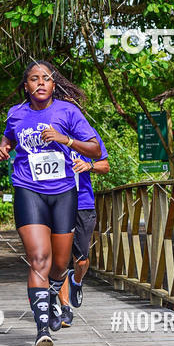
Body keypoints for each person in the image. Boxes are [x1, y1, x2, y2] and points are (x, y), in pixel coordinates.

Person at [0, 61, 101, 346]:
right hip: (29, 190)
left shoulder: (68, 111)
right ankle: (41, 331)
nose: (40, 83)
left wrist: (65, 139)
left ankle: (54, 294)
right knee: (39, 258)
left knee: (60, 264)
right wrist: (3, 148)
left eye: (46, 79)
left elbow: (95, 149)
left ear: (54, 85)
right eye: (33, 79)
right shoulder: (16, 114)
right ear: (25, 85)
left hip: (64, 193)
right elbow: (8, 137)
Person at [58, 135, 110, 327]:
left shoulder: (88, 135)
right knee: (60, 259)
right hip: (58, 203)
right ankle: (65, 309)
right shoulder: (48, 131)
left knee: (82, 260)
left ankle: (77, 280)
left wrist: (89, 166)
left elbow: (105, 166)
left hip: (83, 203)